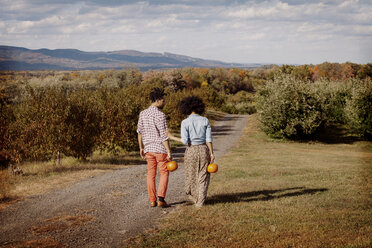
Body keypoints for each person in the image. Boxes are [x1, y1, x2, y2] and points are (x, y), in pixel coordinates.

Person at [172, 96, 215, 208]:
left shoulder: (185, 122)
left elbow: (184, 141)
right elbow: (209, 139)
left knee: (191, 175)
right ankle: (200, 201)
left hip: (191, 150)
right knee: (203, 175)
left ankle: (194, 197)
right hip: (203, 149)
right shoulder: (205, 120)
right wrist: (211, 153)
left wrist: (172, 137)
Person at [137, 88, 172, 208]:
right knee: (164, 173)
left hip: (148, 149)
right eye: (163, 100)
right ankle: (161, 198)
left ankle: (152, 200)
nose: (164, 102)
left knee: (151, 174)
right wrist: (168, 151)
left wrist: (141, 147)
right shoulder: (160, 115)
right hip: (160, 149)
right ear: (157, 100)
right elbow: (163, 135)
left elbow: (139, 132)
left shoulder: (142, 113)